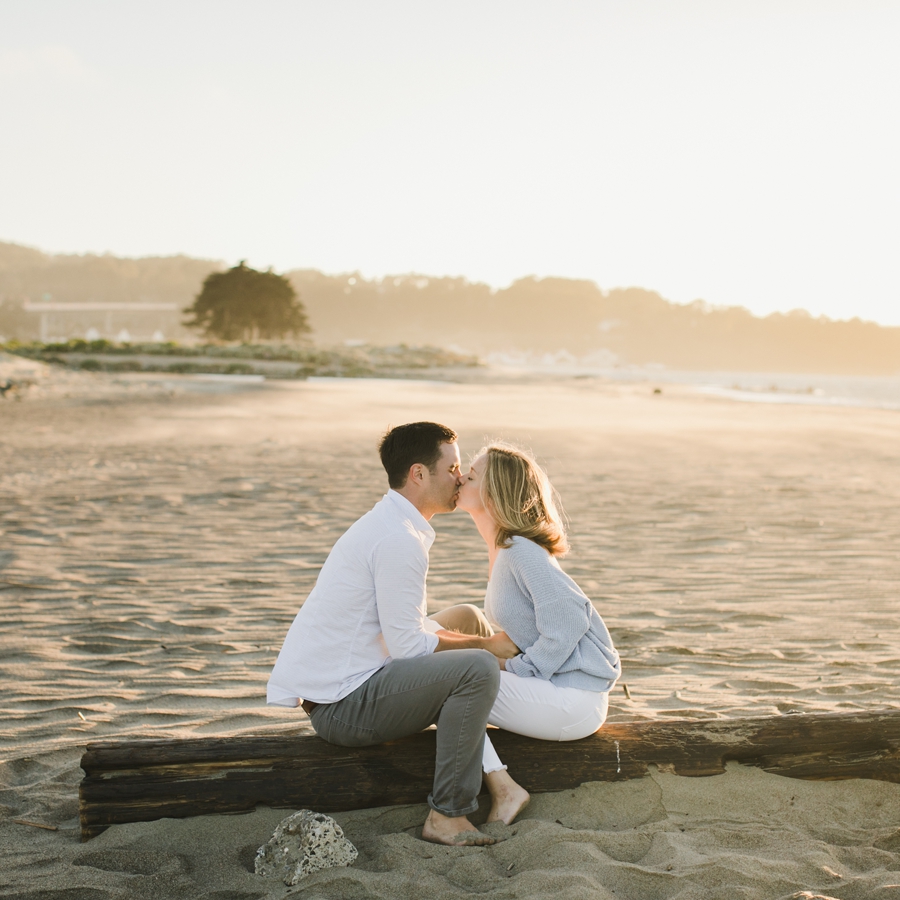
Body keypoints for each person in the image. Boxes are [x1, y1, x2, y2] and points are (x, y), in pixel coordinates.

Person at [267, 422, 529, 846]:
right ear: (419, 474)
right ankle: (447, 815)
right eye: (453, 467)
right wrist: (484, 647)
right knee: (478, 667)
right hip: (343, 706)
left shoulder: (393, 522)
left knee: (464, 616)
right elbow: (408, 645)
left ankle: (502, 768)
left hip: (359, 674)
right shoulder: (398, 539)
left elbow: (402, 629)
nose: (460, 477)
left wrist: (473, 637)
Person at [453, 442, 621, 741]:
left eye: (472, 475)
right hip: (554, 687)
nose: (461, 478)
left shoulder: (520, 550)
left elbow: (569, 619)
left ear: (495, 492)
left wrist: (516, 667)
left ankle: (497, 782)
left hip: (573, 698)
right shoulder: (504, 549)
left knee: (448, 684)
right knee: (445, 677)